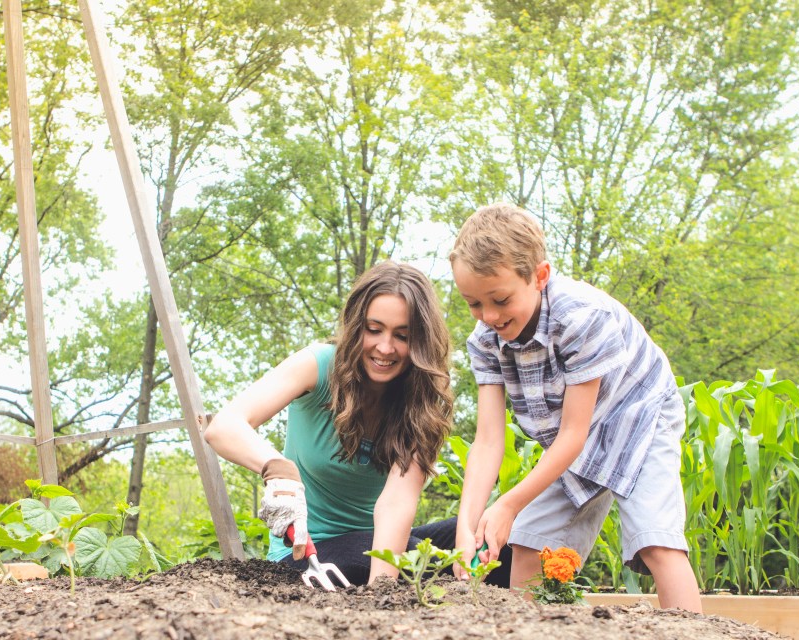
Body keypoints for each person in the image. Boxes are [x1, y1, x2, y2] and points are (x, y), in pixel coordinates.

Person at [448, 203, 702, 611]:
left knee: (655, 540)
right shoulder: (484, 342)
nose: (489, 316)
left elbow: (573, 436)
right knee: (528, 543)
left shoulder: (580, 318)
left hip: (639, 414)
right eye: (473, 304)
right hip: (574, 437)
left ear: (539, 276)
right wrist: (466, 529)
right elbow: (488, 441)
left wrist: (508, 503)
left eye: (499, 299)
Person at [204, 261, 511, 586]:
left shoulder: (420, 402)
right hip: (307, 556)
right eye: (374, 329)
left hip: (378, 547)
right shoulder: (319, 365)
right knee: (362, 557)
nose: (385, 347)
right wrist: (276, 468)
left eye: (402, 335)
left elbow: (397, 503)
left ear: (420, 342)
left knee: (494, 538)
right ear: (356, 326)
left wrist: (382, 590)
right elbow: (224, 426)